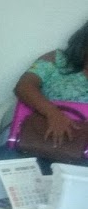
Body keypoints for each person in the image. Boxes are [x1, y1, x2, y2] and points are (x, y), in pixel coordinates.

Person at [7, 16, 88, 170]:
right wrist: (53, 114)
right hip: (34, 142)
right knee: (9, 173)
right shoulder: (57, 59)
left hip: (82, 156)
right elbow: (24, 86)